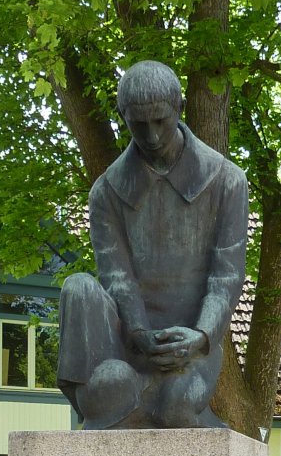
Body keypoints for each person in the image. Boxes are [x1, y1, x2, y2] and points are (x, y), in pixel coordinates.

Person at [56, 60, 248, 429]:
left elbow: (227, 276)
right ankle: (111, 398)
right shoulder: (107, 191)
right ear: (121, 116)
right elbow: (117, 276)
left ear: (179, 108)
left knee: (175, 409)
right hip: (128, 342)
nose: (152, 135)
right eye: (138, 124)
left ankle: (141, 401)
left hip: (191, 345)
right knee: (78, 286)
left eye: (160, 120)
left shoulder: (227, 181)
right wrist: (141, 335)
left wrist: (201, 336)